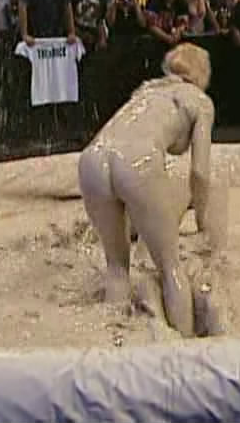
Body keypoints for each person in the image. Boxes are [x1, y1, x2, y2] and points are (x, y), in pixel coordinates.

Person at [77, 43, 220, 337]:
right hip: (137, 162)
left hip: (92, 158)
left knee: (116, 267)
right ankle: (187, 347)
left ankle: (113, 348)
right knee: (170, 268)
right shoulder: (200, 101)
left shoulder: (145, 91)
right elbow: (200, 172)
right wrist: (202, 219)